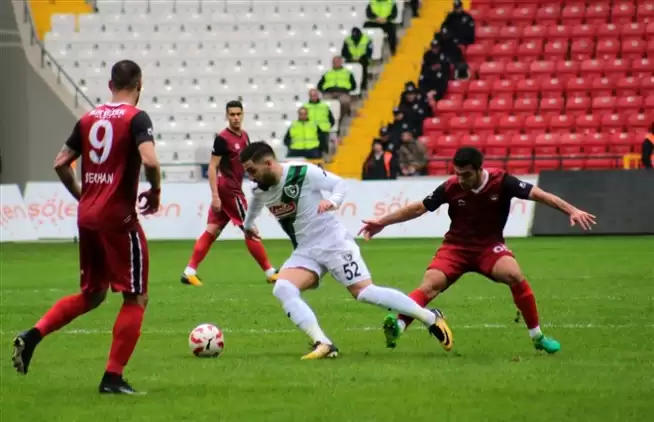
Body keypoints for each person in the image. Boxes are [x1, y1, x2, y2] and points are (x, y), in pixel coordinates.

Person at [12, 60, 161, 394]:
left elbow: (61, 163)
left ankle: (32, 335)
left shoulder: (88, 118)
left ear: (110, 85)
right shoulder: (137, 118)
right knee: (136, 297)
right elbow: (150, 160)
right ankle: (112, 377)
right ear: (139, 85)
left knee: (93, 294)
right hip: (119, 219)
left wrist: (83, 195)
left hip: (88, 217)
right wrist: (156, 189)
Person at [359, 147, 597, 353]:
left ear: (478, 169)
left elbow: (540, 195)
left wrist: (572, 210)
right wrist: (382, 222)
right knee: (429, 285)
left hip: (488, 247)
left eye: (466, 174)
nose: (460, 178)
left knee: (514, 275)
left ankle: (538, 337)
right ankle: (398, 328)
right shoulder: (451, 187)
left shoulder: (501, 181)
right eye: (457, 173)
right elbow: (418, 208)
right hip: (456, 247)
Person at [239, 142, 453, 359]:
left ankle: (430, 318)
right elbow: (255, 207)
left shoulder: (301, 172)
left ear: (268, 163)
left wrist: (332, 201)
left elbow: (339, 184)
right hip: (305, 250)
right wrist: (247, 227)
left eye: (252, 171)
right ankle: (323, 343)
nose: (250, 177)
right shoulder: (259, 189)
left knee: (364, 292)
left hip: (333, 243)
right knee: (282, 288)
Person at [181, 101, 277, 286]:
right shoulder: (223, 139)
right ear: (227, 116)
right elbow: (212, 167)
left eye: (238, 114)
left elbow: (248, 162)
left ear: (243, 115)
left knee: (212, 230)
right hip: (228, 190)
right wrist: (215, 196)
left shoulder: (245, 137)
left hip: (231, 189)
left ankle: (189, 271)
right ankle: (270, 272)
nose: (235, 118)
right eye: (232, 114)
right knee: (250, 229)